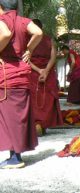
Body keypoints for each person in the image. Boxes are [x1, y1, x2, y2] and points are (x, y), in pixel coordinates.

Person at [0, 0, 43, 169]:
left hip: (8, 74)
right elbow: (38, 32)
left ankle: (15, 158)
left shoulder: (2, 20)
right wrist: (29, 50)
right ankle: (15, 154)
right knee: (19, 117)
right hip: (22, 75)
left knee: (10, 118)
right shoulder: (23, 20)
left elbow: (4, 34)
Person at [29, 19, 63, 136]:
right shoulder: (49, 40)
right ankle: (44, 124)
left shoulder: (29, 41)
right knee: (47, 98)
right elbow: (53, 57)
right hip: (47, 73)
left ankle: (36, 123)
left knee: (34, 98)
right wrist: (46, 71)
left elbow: (25, 59)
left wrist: (39, 71)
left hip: (33, 72)